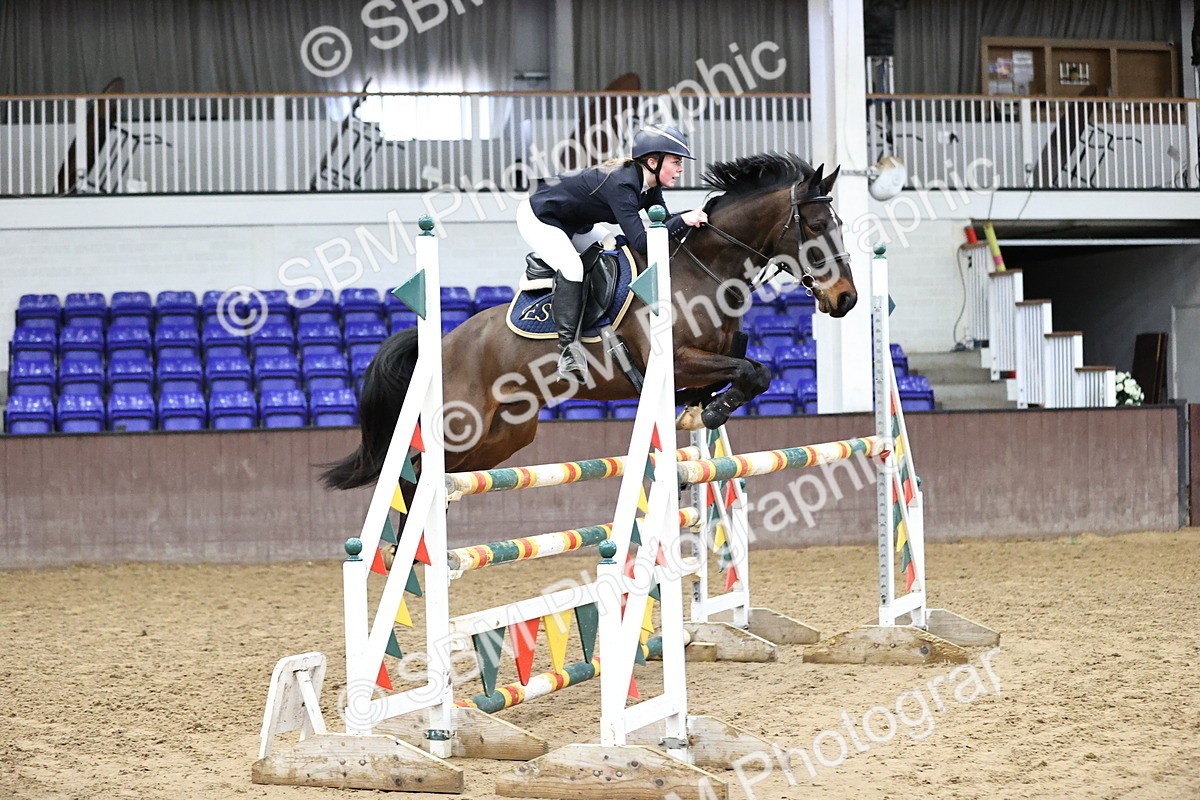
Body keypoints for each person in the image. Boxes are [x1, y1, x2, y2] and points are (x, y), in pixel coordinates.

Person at [517, 125, 709, 380]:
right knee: (573, 268)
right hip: (539, 217)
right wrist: (684, 219)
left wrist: (691, 219)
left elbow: (660, 226)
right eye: (675, 162)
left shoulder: (650, 186)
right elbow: (642, 241)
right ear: (653, 161)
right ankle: (568, 352)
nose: (681, 168)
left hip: (575, 223)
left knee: (612, 244)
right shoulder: (622, 185)